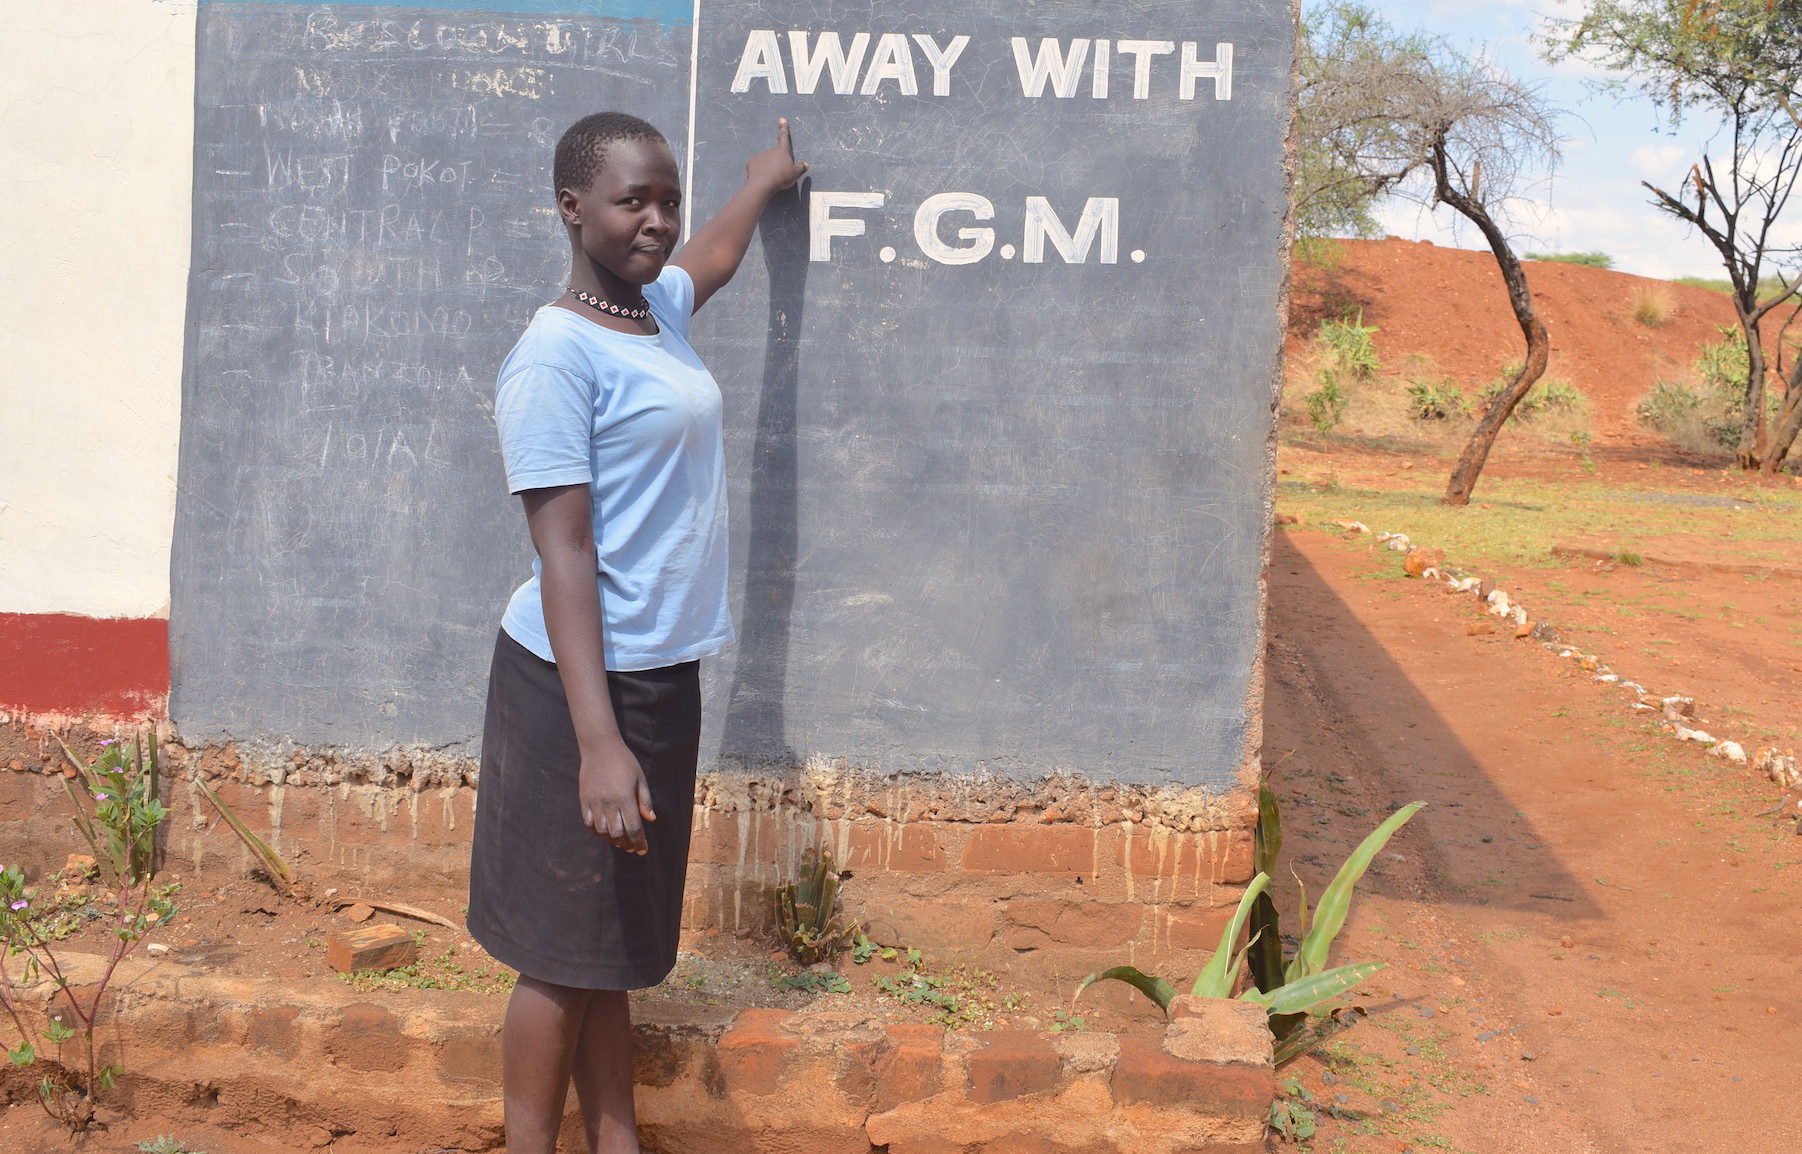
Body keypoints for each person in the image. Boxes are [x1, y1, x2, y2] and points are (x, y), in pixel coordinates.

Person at [468, 111, 807, 1154]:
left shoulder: (653, 312)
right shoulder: (553, 356)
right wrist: (599, 741)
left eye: (664, 196)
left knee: (605, 940)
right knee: (556, 950)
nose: (656, 220)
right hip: (574, 686)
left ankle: (617, 1138)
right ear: (573, 208)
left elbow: (709, 255)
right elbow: (562, 552)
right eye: (631, 201)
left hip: (659, 674)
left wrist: (761, 182)